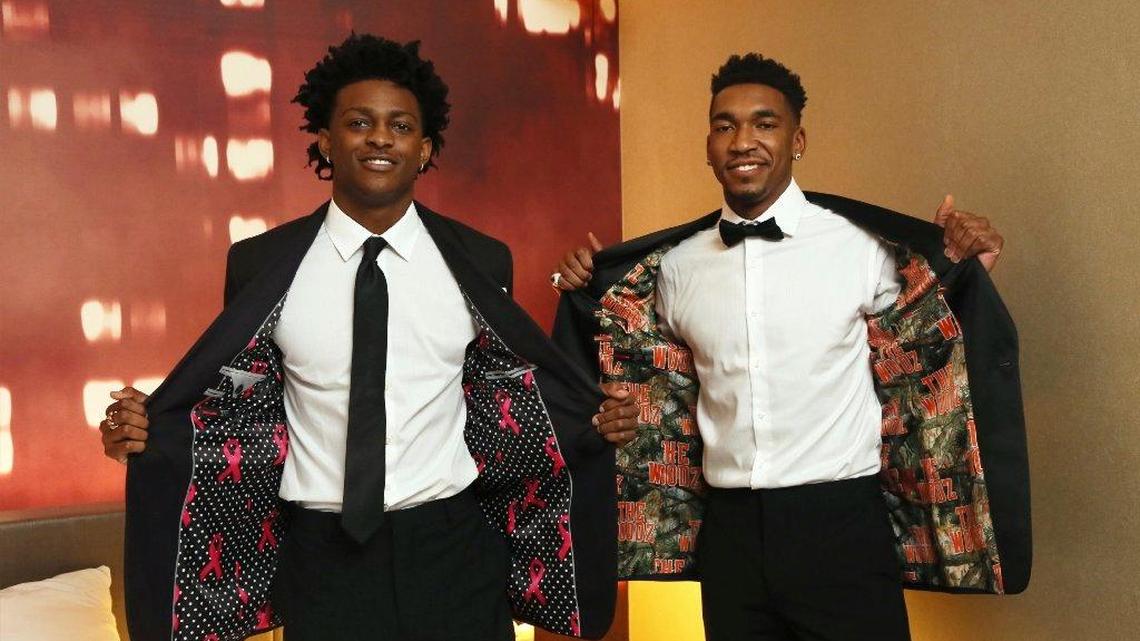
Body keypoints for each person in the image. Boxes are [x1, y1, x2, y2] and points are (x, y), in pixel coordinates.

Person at [99, 34, 634, 641]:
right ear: (325, 139)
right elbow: (234, 406)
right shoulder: (260, 263)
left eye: (401, 126)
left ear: (425, 148)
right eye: (359, 122)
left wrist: (591, 423)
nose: (380, 138)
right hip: (323, 559)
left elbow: (505, 398)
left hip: (454, 550)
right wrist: (150, 428)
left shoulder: (482, 261)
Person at [551, 53, 1030, 641]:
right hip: (727, 533)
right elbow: (629, 358)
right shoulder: (673, 271)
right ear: (707, 145)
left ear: (797, 139)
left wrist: (970, 268)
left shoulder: (861, 248)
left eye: (764, 123)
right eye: (725, 125)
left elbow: (932, 330)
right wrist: (583, 283)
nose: (742, 140)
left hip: (841, 528)